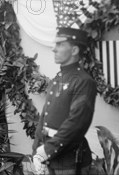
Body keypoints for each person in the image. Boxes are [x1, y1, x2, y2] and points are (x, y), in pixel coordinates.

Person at [32, 27, 97, 175]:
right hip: (49, 157)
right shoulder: (58, 79)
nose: (54, 49)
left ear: (74, 50)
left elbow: (76, 124)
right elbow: (44, 116)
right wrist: (36, 150)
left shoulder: (83, 82)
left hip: (69, 162)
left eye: (60, 45)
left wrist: (45, 151)